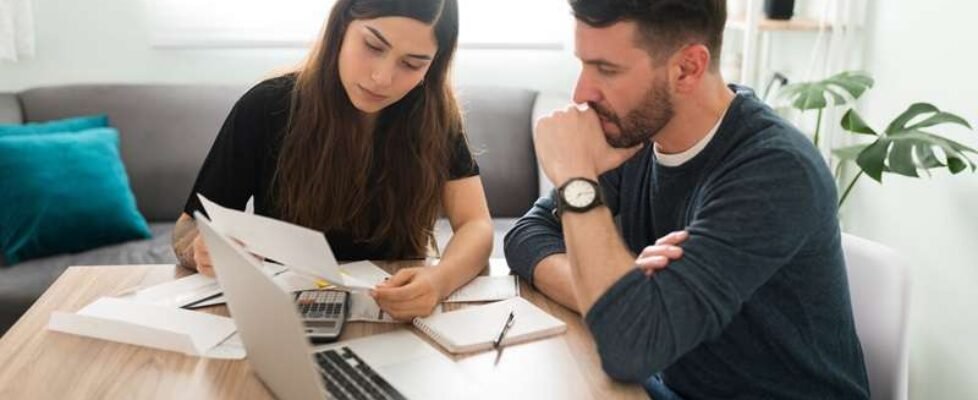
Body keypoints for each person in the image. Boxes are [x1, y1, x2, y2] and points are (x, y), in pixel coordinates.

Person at [503, 0, 870, 398]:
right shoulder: (638, 136)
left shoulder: (776, 170)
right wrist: (614, 296)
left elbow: (630, 347)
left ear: (687, 68)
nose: (581, 92)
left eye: (607, 69)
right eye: (583, 64)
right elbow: (526, 236)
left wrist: (577, 177)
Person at [171, 0, 493, 321]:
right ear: (340, 26)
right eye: (372, 45)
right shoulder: (265, 107)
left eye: (412, 64)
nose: (382, 77)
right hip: (288, 318)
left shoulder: (436, 119)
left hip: (393, 319)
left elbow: (476, 225)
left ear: (432, 67)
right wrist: (201, 249)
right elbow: (186, 229)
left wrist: (439, 280)